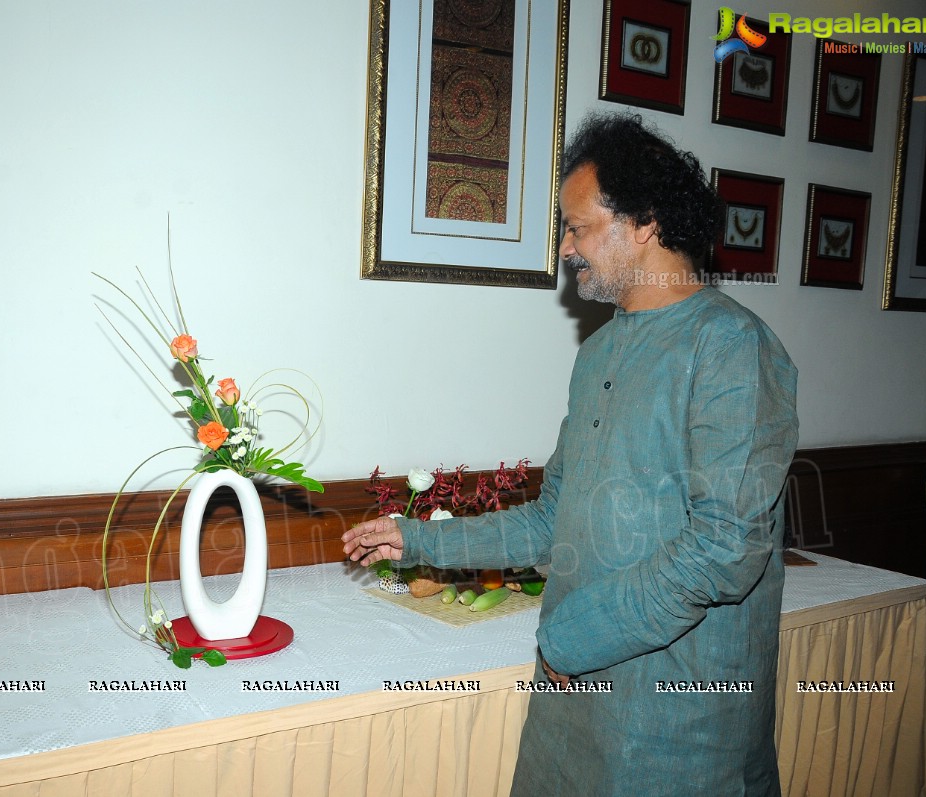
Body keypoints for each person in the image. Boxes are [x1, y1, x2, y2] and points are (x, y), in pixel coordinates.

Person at [342, 113, 799, 796]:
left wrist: (573, 637)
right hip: (574, 711)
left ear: (642, 222)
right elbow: (552, 519)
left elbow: (725, 550)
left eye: (576, 226)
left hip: (677, 726)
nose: (563, 247)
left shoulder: (731, 347)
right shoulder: (601, 352)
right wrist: (416, 539)